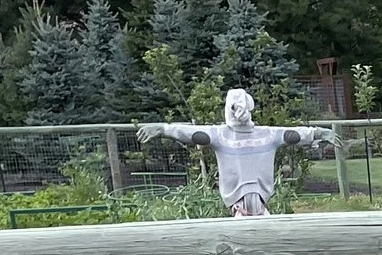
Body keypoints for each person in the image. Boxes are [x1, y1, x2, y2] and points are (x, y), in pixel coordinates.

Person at [138, 88, 333, 217]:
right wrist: (318, 132)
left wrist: (164, 128)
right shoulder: (266, 135)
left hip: (244, 212)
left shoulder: (221, 136)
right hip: (254, 211)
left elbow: (189, 133)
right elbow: (294, 134)